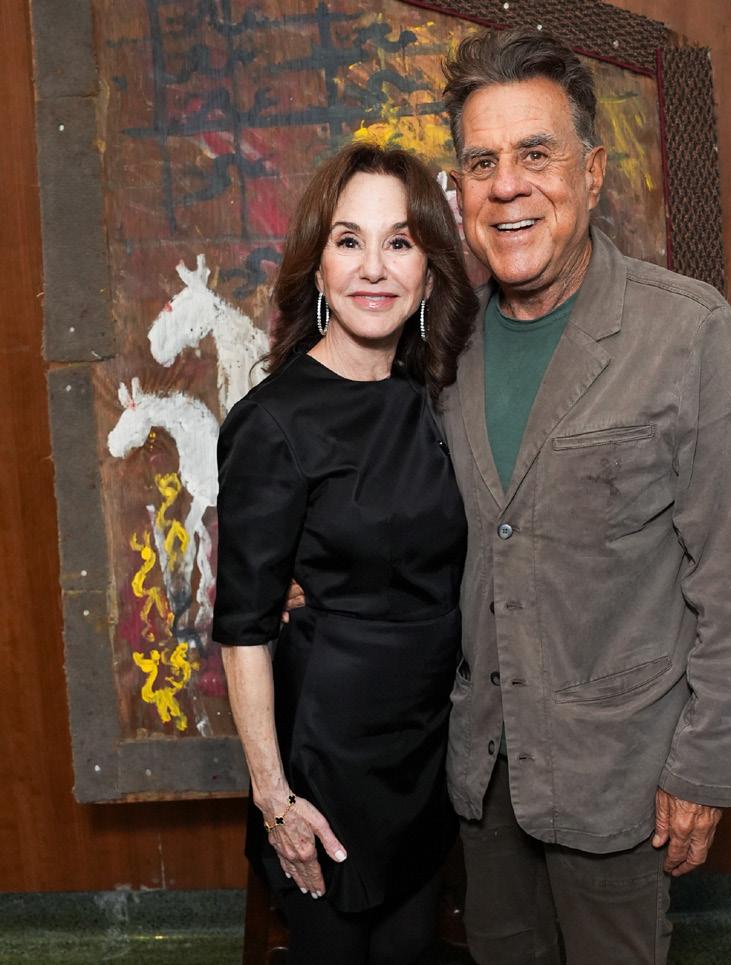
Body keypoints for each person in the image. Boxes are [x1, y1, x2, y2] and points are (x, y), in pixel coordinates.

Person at [436, 27, 731, 965]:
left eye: (535, 154)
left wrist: (703, 770)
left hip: (621, 782)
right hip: (483, 777)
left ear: (590, 173)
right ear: (459, 190)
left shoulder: (689, 334)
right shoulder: (443, 345)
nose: (507, 185)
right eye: (482, 162)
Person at [212, 142, 477, 965]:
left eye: (399, 242)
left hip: (425, 753)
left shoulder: (434, 402)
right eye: (348, 240)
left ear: (428, 274)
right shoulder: (273, 421)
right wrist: (275, 799)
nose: (373, 267)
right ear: (318, 268)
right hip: (325, 764)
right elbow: (244, 627)